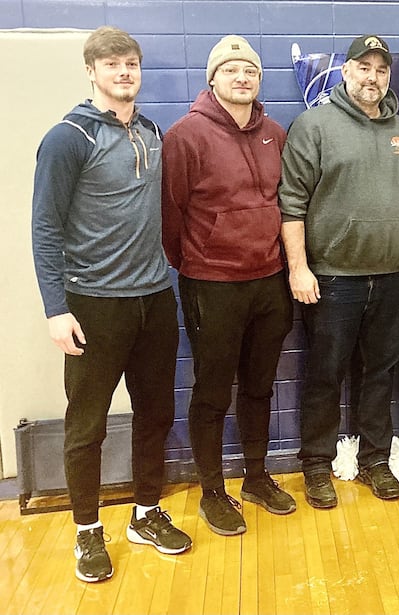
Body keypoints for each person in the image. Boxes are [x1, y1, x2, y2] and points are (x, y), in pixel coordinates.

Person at [31, 26, 191, 583]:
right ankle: (86, 532)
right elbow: (45, 229)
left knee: (156, 414)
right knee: (88, 425)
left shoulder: (150, 131)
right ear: (91, 71)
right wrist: (56, 308)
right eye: (112, 63)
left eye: (132, 63)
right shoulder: (67, 137)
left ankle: (145, 513)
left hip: (153, 299)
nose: (124, 72)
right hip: (93, 306)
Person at [279, 35, 399, 509]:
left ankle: (375, 458)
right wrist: (298, 267)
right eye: (364, 67)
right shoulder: (313, 126)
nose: (372, 77)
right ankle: (316, 464)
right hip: (333, 278)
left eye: (381, 70)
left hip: (393, 275)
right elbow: (291, 204)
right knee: (325, 374)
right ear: (345, 72)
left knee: (379, 372)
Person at [161, 35, 295, 535]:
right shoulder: (185, 136)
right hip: (211, 284)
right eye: (232, 70)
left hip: (269, 282)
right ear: (213, 78)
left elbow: (284, 203)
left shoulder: (274, 134)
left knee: (260, 386)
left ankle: (257, 478)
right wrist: (198, 262)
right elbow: (169, 215)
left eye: (251, 72)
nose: (243, 78)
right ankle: (212, 491)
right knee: (213, 391)